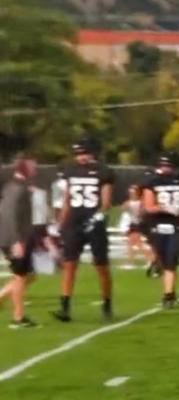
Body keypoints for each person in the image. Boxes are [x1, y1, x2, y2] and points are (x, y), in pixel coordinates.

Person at [52, 139, 115, 322]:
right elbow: (66, 201)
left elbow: (106, 202)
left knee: (101, 265)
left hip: (94, 223)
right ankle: (64, 307)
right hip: (73, 222)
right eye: (78, 153)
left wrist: (98, 217)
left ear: (92, 153)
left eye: (84, 153)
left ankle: (107, 302)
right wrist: (60, 225)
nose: (81, 157)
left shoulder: (104, 171)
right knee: (69, 265)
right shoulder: (70, 171)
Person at [141, 152, 179, 308]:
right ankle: (169, 293)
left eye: (168, 165)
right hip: (157, 226)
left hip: (176, 226)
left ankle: (168, 295)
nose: (165, 168)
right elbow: (149, 206)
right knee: (164, 262)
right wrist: (166, 208)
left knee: (171, 262)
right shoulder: (152, 182)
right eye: (163, 165)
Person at [0, 154, 38, 328]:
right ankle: (18, 318)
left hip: (18, 237)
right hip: (14, 239)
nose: (35, 169)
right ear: (24, 168)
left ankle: (2, 295)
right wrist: (17, 241)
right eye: (32, 166)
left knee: (29, 276)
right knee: (21, 277)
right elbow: (10, 215)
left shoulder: (16, 186)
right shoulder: (17, 188)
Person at [121, 185, 149, 270]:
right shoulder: (129, 202)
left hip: (137, 224)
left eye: (133, 193)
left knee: (138, 244)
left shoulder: (141, 203)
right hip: (133, 224)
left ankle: (149, 260)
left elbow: (142, 213)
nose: (131, 194)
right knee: (131, 244)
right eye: (130, 193)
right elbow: (124, 208)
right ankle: (131, 262)